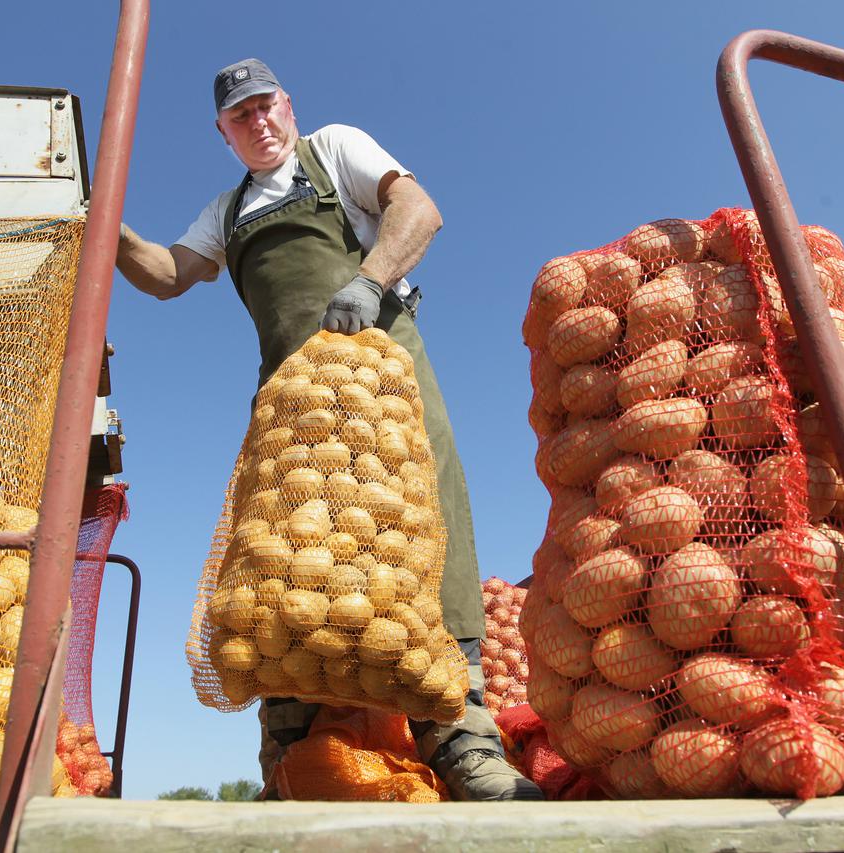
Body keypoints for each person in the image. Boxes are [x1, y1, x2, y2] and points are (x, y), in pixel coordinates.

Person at [114, 58, 541, 802]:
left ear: (288, 104)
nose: (259, 124)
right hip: (293, 411)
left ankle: (464, 745)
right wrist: (107, 228)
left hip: (385, 382)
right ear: (225, 134)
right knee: (282, 563)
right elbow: (166, 272)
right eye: (240, 118)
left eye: (266, 106)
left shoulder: (335, 149)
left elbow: (418, 209)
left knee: (429, 534)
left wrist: (370, 280)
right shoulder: (228, 210)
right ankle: (291, 757)